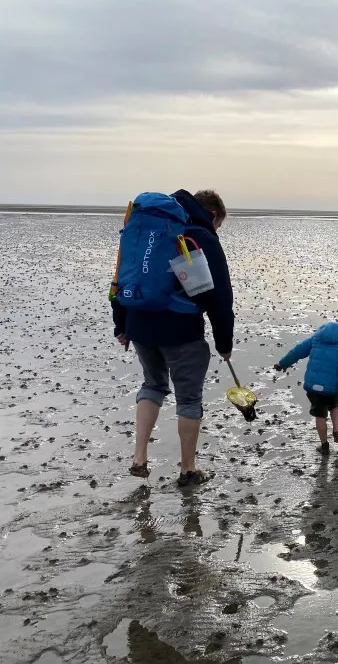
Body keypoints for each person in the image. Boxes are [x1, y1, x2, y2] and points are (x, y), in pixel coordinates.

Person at [112, 189, 234, 487]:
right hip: (181, 331)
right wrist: (224, 343)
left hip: (140, 325)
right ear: (213, 215)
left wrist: (122, 324)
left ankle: (139, 457)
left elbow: (123, 276)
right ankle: (188, 470)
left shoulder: (143, 228)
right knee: (189, 399)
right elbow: (219, 298)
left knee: (152, 385)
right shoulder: (199, 235)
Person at [274, 319, 338, 455]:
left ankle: (324, 445)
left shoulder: (318, 337)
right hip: (333, 387)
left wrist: (283, 364)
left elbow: (298, 351)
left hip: (314, 386)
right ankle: (337, 432)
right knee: (335, 404)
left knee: (320, 415)